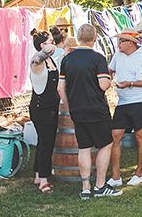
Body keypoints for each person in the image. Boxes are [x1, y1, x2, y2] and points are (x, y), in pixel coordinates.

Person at [58, 24, 122, 199]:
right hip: (96, 109)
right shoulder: (98, 58)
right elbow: (103, 84)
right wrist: (110, 81)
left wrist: (69, 105)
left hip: (77, 109)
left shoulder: (67, 60)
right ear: (94, 39)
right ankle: (100, 185)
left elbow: (60, 88)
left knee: (84, 147)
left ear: (79, 38)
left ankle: (85, 187)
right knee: (105, 144)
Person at [107, 30, 142, 188]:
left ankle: (139, 173)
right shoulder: (118, 56)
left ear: (131, 43)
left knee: (140, 137)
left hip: (140, 101)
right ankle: (116, 176)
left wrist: (131, 83)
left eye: (121, 41)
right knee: (115, 136)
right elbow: (109, 71)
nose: (119, 44)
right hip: (122, 101)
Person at [29, 29, 60, 193]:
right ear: (42, 45)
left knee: (44, 141)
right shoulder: (37, 61)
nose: (53, 44)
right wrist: (49, 48)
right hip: (41, 109)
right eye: (50, 41)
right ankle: (43, 180)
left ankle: (37, 174)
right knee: (46, 142)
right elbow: (38, 57)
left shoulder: (50, 61)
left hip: (51, 107)